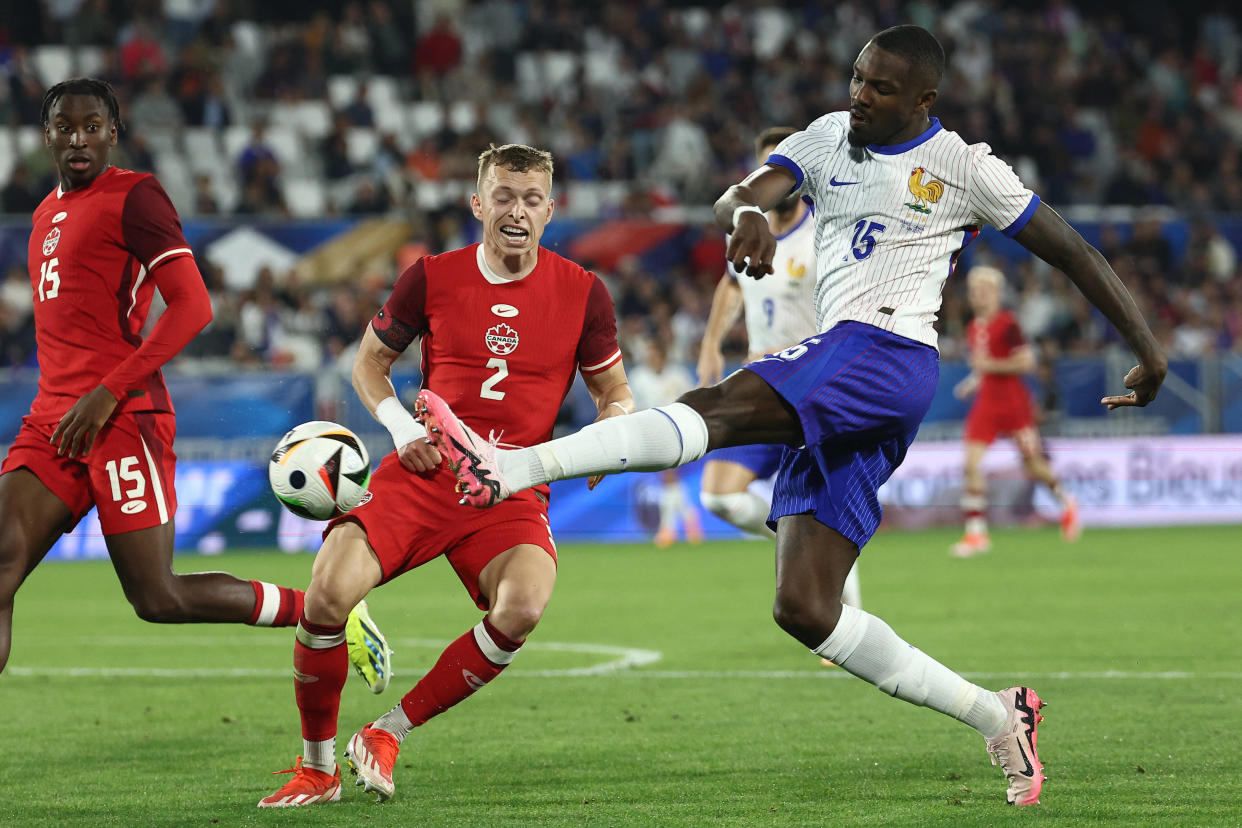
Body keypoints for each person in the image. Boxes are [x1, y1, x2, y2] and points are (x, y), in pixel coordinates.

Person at [418, 26, 1167, 808]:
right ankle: (999, 715)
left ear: (924, 100)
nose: (860, 95)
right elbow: (742, 193)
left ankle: (510, 467)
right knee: (805, 607)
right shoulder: (827, 139)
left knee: (716, 409)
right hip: (850, 374)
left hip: (886, 350)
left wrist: (1151, 354)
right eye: (857, 77)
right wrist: (742, 211)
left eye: (880, 87)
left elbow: (1076, 251)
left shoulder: (966, 167)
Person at [258, 143, 631, 807]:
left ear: (551, 209)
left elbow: (615, 394)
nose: (517, 210)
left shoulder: (584, 293)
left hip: (511, 487)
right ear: (478, 203)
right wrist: (404, 432)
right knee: (325, 595)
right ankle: (317, 770)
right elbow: (368, 366)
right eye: (504, 196)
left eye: (532, 199)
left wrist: (608, 441)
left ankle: (386, 731)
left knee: (524, 604)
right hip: (426, 469)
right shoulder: (431, 276)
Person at [0, 79, 388, 689]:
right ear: (46, 134)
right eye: (65, 127)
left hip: (123, 418)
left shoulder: (136, 196)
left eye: (93, 126)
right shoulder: (46, 212)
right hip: (54, 420)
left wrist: (106, 393)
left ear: (113, 133)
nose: (79, 139)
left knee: (158, 598)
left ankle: (321, 608)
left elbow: (193, 306)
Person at [696, 126, 862, 611]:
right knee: (719, 498)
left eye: (787, 169)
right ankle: (799, 546)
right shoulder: (750, 229)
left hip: (814, 388)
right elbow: (731, 285)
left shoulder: (824, 233)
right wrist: (711, 343)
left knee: (825, 511)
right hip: (764, 384)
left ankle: (844, 601)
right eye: (770, 170)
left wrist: (803, 350)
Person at [951, 266, 1080, 557]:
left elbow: (1025, 363)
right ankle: (976, 535)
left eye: (983, 290)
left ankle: (1066, 500)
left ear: (996, 293)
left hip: (1013, 402)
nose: (978, 296)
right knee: (970, 464)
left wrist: (988, 367)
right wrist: (971, 384)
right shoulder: (974, 327)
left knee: (1032, 463)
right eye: (973, 291)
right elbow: (983, 367)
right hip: (987, 402)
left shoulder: (1008, 324)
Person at [629, 337, 702, 547]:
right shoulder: (638, 377)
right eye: (647, 354)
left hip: (679, 429)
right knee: (669, 478)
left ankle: (668, 529)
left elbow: (692, 399)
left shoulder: (678, 374)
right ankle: (687, 516)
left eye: (654, 353)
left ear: (663, 355)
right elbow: (634, 405)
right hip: (651, 429)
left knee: (668, 476)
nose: (650, 358)